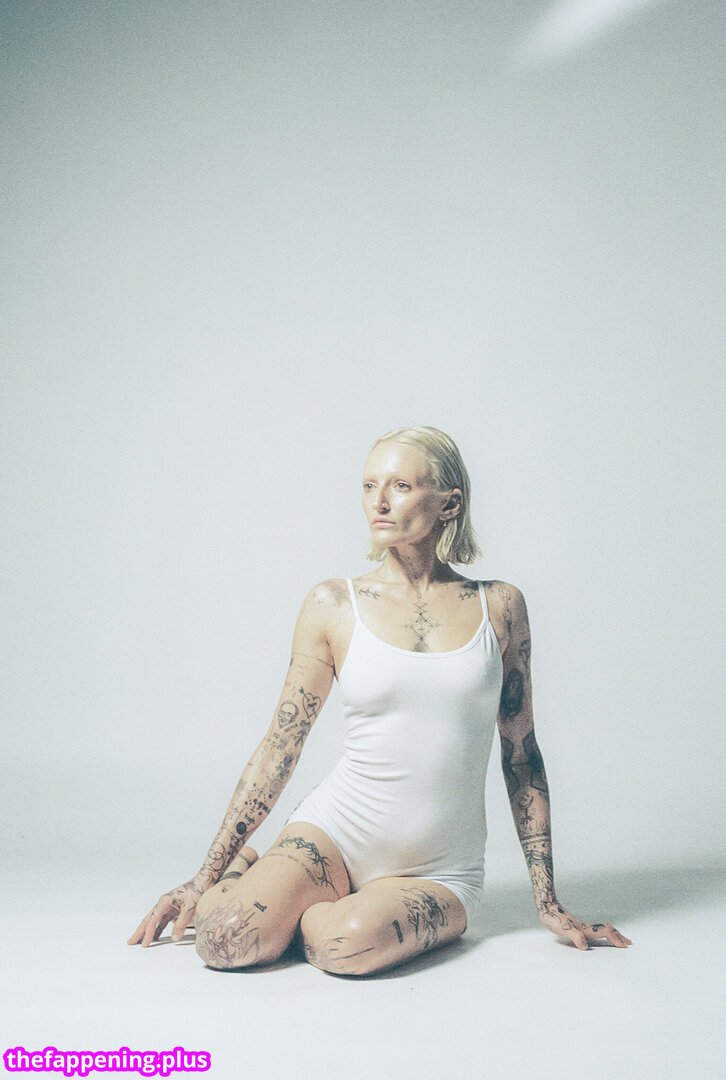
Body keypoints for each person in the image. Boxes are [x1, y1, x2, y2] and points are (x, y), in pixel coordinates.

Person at [128, 425, 632, 974]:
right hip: (334, 833)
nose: (380, 502)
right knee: (223, 942)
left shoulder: (501, 605)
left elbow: (522, 755)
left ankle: (289, 904)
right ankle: (249, 876)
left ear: (449, 504)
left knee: (347, 947)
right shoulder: (333, 603)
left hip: (439, 868)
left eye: (400, 486)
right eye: (369, 486)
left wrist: (548, 901)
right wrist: (203, 877)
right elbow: (280, 746)